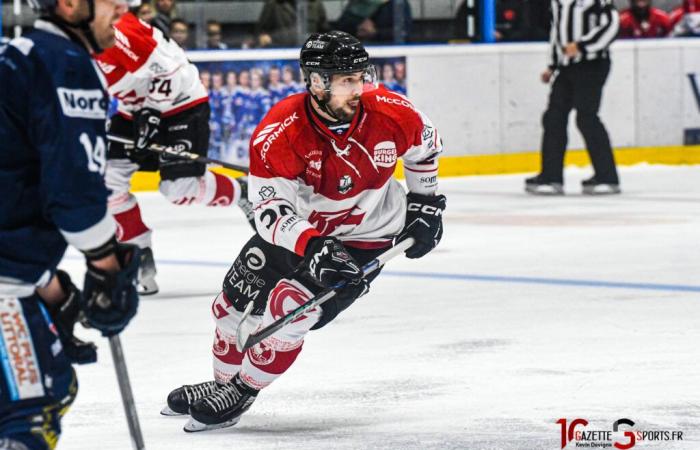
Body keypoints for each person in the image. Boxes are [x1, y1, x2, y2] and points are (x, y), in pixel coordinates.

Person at [162, 30, 446, 432]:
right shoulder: (280, 131)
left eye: (361, 76)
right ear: (316, 82)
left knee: (291, 307)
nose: (358, 88)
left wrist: (425, 203)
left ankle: (242, 391)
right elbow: (271, 211)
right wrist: (313, 244)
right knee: (230, 307)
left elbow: (426, 148)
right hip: (300, 231)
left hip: (369, 236)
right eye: (346, 80)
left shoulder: (393, 113)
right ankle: (221, 383)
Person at [0, 0, 141, 447]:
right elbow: (73, 196)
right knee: (32, 410)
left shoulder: (15, 58)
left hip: (15, 273)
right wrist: (107, 265)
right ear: (70, 3)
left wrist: (46, 283)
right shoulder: (64, 65)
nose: (125, 6)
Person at [95, 9, 254, 295]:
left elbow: (168, 69)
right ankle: (139, 255)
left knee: (178, 189)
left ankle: (240, 190)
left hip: (181, 103)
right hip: (133, 109)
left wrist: (153, 114)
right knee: (109, 184)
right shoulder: (77, 37)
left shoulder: (116, 29)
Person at [526, 0, 621, 195]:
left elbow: (612, 25)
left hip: (593, 64)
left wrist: (582, 46)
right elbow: (557, 30)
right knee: (554, 117)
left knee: (586, 117)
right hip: (567, 66)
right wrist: (552, 64)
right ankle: (551, 176)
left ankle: (607, 176)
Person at [256, 0, 330, 48]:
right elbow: (261, 35)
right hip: (283, 53)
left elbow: (324, 33)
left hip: (309, 55)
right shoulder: (273, 4)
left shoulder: (315, 4)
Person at [337, 0, 412, 43]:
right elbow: (341, 29)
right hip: (359, 52)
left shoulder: (397, 4)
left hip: (387, 51)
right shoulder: (357, 3)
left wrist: (375, 33)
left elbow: (404, 33)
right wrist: (357, 28)